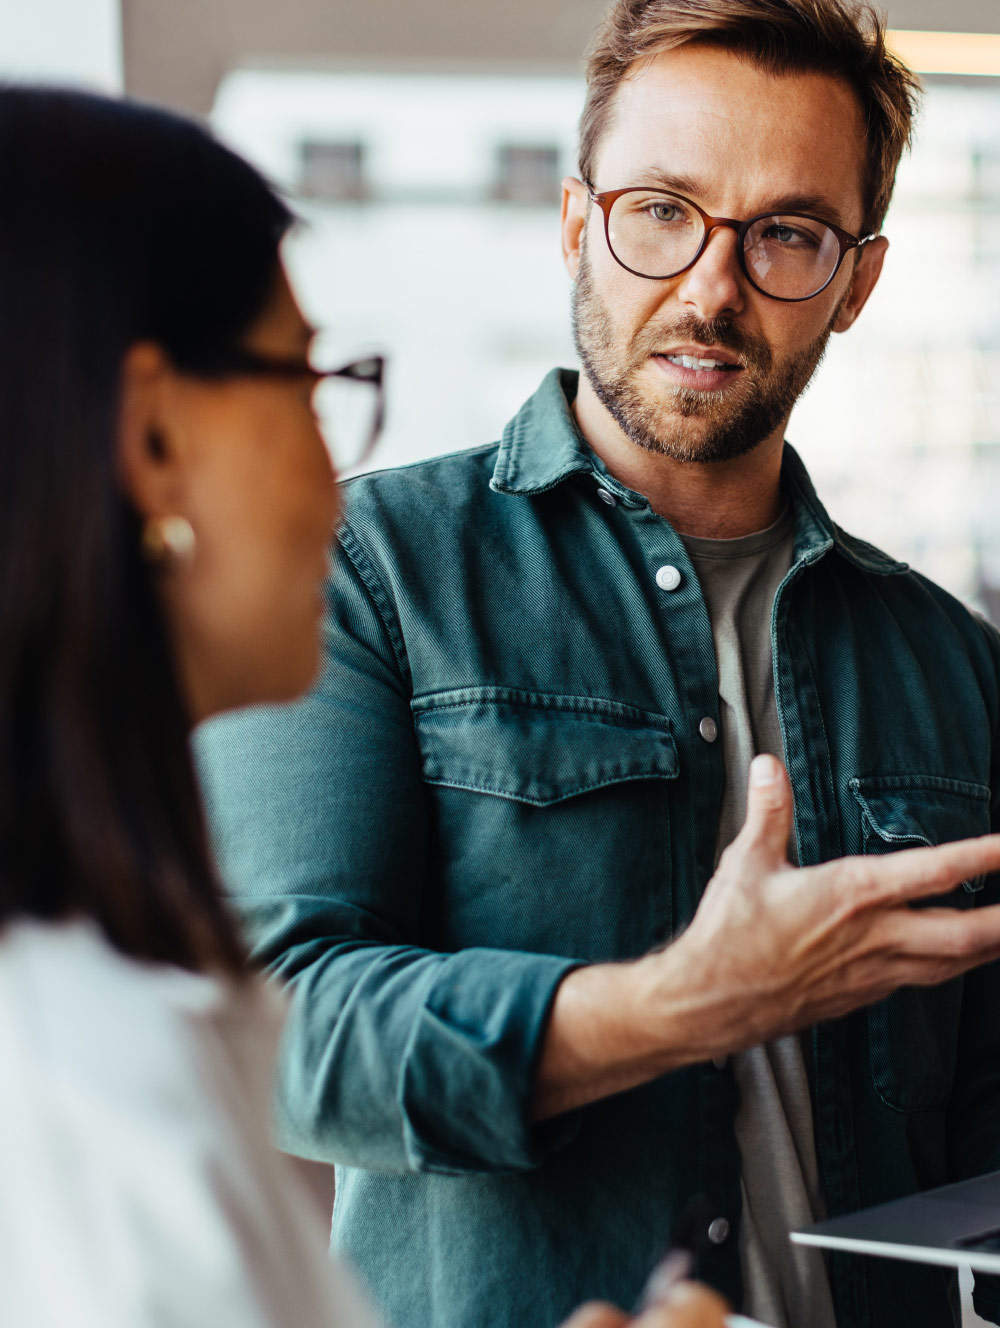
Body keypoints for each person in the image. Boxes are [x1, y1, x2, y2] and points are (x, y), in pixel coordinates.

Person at [194, 3, 1000, 1328]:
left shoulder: (956, 667)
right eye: (660, 211)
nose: (710, 286)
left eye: (786, 234)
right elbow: (278, 1038)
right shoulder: (364, 573)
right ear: (576, 222)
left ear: (857, 281)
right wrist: (684, 1003)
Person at [0, 83, 731, 1328]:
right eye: (304, 383)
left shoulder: (109, 993)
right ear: (154, 438)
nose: (340, 481)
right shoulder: (73, 1071)